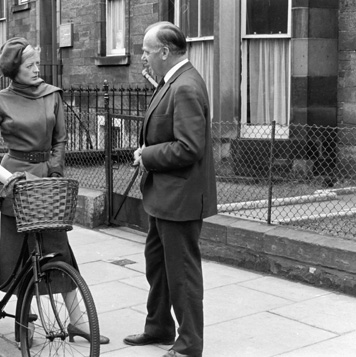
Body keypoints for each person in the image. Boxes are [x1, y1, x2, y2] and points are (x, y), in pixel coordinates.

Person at [0, 37, 109, 345]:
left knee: (60, 250)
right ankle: (25, 324)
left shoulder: (51, 95)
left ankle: (78, 321)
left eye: (36, 63)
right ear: (13, 69)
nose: (36, 69)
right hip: (14, 179)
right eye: (29, 65)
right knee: (20, 256)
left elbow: (60, 139)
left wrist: (56, 172)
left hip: (46, 178)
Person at [123, 22, 217, 357]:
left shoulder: (186, 86)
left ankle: (189, 344)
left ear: (164, 51)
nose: (144, 57)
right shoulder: (173, 82)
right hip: (164, 198)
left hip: (181, 199)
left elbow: (189, 147)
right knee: (158, 266)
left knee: (182, 274)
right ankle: (159, 326)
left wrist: (146, 155)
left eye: (147, 51)